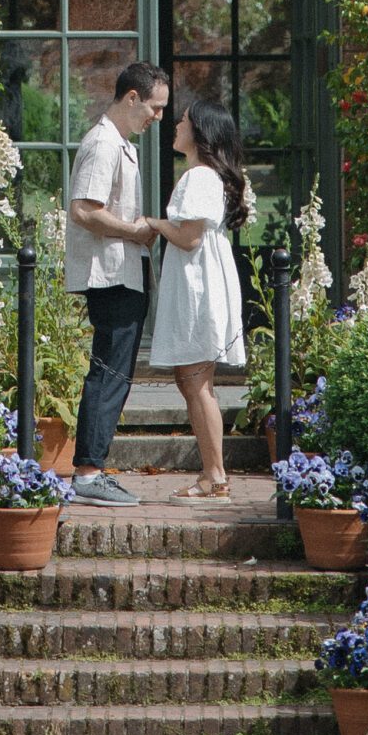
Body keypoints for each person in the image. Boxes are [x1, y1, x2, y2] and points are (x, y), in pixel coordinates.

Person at [64, 58, 170, 507]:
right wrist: (136, 229)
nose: (158, 117)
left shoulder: (118, 142)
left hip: (122, 273)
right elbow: (83, 211)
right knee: (108, 371)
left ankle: (93, 468)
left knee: (115, 372)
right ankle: (88, 472)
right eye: (154, 107)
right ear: (131, 98)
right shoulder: (104, 144)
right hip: (110, 277)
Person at [146, 97, 249, 497]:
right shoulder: (205, 176)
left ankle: (215, 474)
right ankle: (213, 473)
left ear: (201, 132)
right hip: (201, 279)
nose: (176, 125)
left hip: (198, 284)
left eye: (184, 120)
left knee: (195, 380)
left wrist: (153, 223)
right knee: (193, 379)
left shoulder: (199, 177)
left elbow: (188, 237)